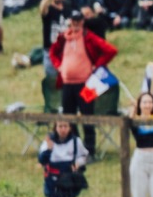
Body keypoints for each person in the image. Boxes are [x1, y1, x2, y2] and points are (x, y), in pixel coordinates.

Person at [48, 11, 116, 156]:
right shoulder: (63, 37)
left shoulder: (88, 37)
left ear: (83, 22)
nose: (76, 24)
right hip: (67, 84)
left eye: (78, 21)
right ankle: (75, 147)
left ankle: (90, 150)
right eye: (74, 21)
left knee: (87, 117)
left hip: (86, 84)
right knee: (69, 117)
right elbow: (52, 52)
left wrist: (97, 65)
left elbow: (110, 50)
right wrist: (58, 65)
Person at [38, 120, 88, 197]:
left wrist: (78, 163)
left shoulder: (75, 141)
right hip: (52, 178)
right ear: (55, 128)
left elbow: (84, 156)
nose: (63, 129)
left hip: (69, 178)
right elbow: (42, 160)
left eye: (65, 126)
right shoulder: (49, 142)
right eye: (60, 126)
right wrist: (49, 150)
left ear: (70, 128)